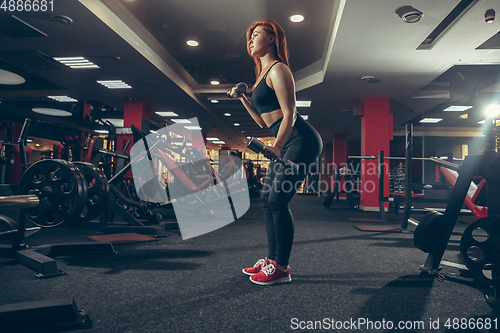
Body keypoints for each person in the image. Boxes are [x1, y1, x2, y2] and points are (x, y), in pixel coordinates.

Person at [229, 19, 323, 285]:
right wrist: (244, 98)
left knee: (279, 200)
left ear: (271, 39)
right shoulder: (262, 74)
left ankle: (281, 268)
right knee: (268, 201)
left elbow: (290, 112)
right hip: (286, 139)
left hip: (300, 140)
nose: (250, 39)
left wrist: (278, 146)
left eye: (256, 34)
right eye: (249, 36)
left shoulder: (278, 69)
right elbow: (263, 122)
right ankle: (271, 260)